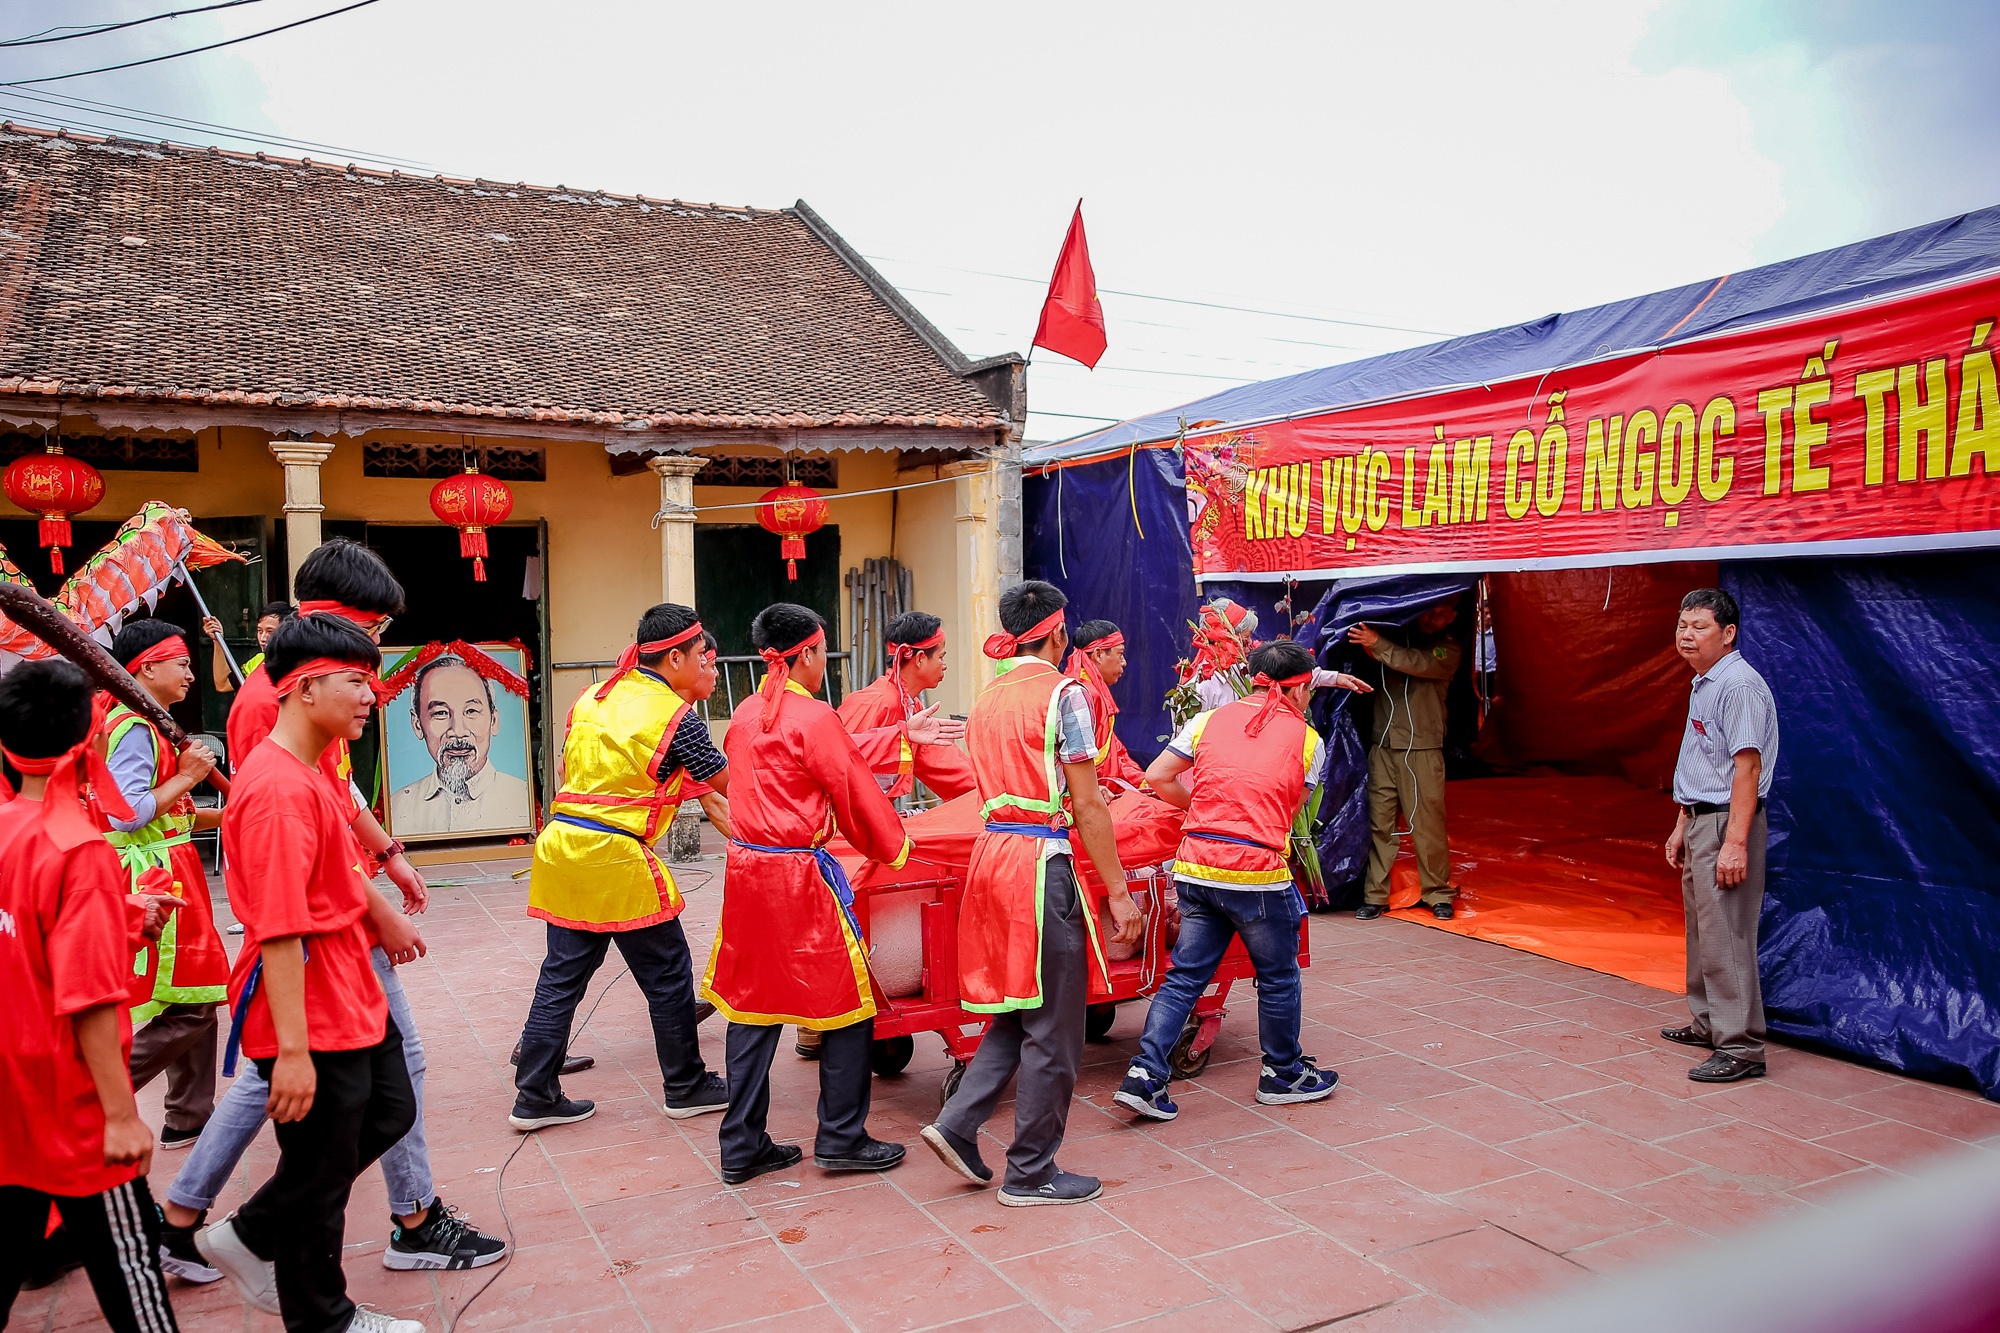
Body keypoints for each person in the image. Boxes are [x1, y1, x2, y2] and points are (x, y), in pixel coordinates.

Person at [166, 539, 504, 1281]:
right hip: (320, 922)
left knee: (300, 1080)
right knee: (343, 1078)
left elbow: (337, 792)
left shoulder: (321, 691)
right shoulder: (273, 700)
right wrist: (374, 905)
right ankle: (399, 1221)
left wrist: (386, 853)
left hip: (340, 906)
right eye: (371, 631)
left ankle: (187, 1219)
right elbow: (290, 847)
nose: (372, 681)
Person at [192, 613, 425, 1333]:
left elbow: (334, 873)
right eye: (356, 681)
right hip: (310, 994)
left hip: (344, 980)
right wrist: (291, 1050)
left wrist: (380, 911)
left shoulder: (309, 770)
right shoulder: (277, 791)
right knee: (321, 1163)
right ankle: (324, 1317)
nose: (370, 696)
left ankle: (252, 1232)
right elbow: (278, 928)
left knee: (387, 1112)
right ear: (304, 687)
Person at [920, 580, 1143, 1206]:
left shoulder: (988, 696)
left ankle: (958, 1124)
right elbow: (1089, 803)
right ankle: (1031, 1171)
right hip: (1039, 862)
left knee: (1020, 1006)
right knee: (1056, 1025)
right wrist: (1119, 892)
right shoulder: (1063, 693)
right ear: (1057, 632)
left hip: (992, 857)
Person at [700, 603, 919, 1185]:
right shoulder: (815, 716)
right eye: (823, 652)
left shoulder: (745, 712)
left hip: (748, 874)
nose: (825, 663)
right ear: (807, 654)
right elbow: (851, 785)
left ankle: (741, 1145)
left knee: (751, 1007)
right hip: (799, 878)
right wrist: (893, 844)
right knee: (848, 1004)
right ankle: (842, 1137)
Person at [0, 660, 184, 1333]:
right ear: (89, 738)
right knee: (136, 1284)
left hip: (12, 1091)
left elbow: (29, 929)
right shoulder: (78, 849)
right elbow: (89, 998)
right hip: (70, 1105)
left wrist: (122, 913)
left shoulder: (9, 825)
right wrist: (120, 1116)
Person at [510, 602, 730, 1131]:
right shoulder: (674, 717)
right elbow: (731, 784)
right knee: (669, 976)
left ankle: (534, 1095)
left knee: (560, 978)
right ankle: (687, 1086)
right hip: (615, 856)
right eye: (702, 655)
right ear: (675, 657)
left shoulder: (594, 696)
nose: (708, 665)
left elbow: (570, 769)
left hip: (563, 847)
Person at [1115, 640, 1339, 1120]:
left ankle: (1145, 1075)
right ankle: (1282, 1074)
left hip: (1196, 867)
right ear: (1299, 689)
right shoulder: (1308, 741)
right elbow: (1289, 809)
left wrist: (1199, 811)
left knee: (1185, 977)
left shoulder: (1208, 720)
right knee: (1277, 977)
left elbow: (1158, 774)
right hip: (1257, 875)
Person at [102, 621, 231, 1154]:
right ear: (147, 666)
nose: (190, 673)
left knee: (199, 993)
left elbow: (172, 813)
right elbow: (126, 813)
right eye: (180, 662)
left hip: (172, 865)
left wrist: (231, 815)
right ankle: (91, 1095)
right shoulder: (132, 725)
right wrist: (190, 776)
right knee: (189, 1004)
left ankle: (188, 1117)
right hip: (153, 876)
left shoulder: (149, 723)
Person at [1663, 587, 1779, 1084]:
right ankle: (1708, 1021)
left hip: (1726, 822)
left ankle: (1741, 1046)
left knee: (1727, 934)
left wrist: (1735, 842)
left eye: (1700, 627)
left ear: (1728, 634)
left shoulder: (1739, 686)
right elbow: (1703, 762)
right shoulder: (1704, 682)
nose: (1687, 635)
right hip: (1702, 819)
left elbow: (1746, 769)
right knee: (1702, 930)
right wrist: (1682, 824)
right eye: (1682, 625)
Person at [1350, 599, 1462, 921]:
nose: (1433, 617)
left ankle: (1438, 893)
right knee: (1379, 824)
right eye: (1430, 609)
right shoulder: (1394, 640)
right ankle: (1375, 895)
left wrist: (1378, 644)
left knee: (1428, 826)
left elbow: (1417, 663)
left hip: (1422, 750)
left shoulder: (1448, 650)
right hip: (1383, 747)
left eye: (1442, 612)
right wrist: (1376, 644)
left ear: (1452, 617)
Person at [836, 610, 974, 801]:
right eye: (941, 657)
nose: (944, 665)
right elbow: (836, 763)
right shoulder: (873, 702)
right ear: (920, 659)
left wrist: (990, 792)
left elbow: (947, 767)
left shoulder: (911, 707)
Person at [387, 655, 533, 835]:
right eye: (440, 713)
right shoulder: (397, 808)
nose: (458, 731)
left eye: (471, 711)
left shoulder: (523, 800)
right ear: (417, 724)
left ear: (493, 720)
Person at [1065, 620, 1148, 789]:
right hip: (1092, 791)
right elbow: (1090, 762)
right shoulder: (1086, 694)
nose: (1124, 662)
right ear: (1098, 654)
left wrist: (1144, 782)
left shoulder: (1084, 688)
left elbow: (1115, 752)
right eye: (1120, 654)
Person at [202, 601, 292, 696]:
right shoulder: (258, 660)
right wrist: (217, 640)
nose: (263, 638)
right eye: (260, 631)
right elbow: (223, 684)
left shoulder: (297, 664)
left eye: (270, 631)